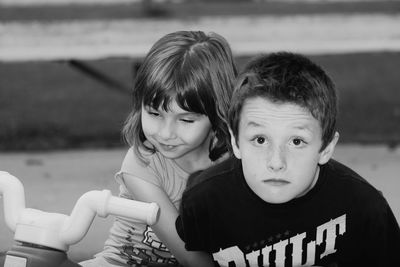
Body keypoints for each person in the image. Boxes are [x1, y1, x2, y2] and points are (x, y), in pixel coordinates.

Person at [176, 52, 400, 267]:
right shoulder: (202, 204)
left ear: (326, 148)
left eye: (296, 142)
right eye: (260, 139)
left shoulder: (364, 210)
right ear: (235, 142)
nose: (276, 162)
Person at [80, 31, 237, 267]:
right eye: (154, 113)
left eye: (186, 120)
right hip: (124, 262)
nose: (165, 133)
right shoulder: (142, 161)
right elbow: (189, 255)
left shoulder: (237, 159)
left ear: (218, 112)